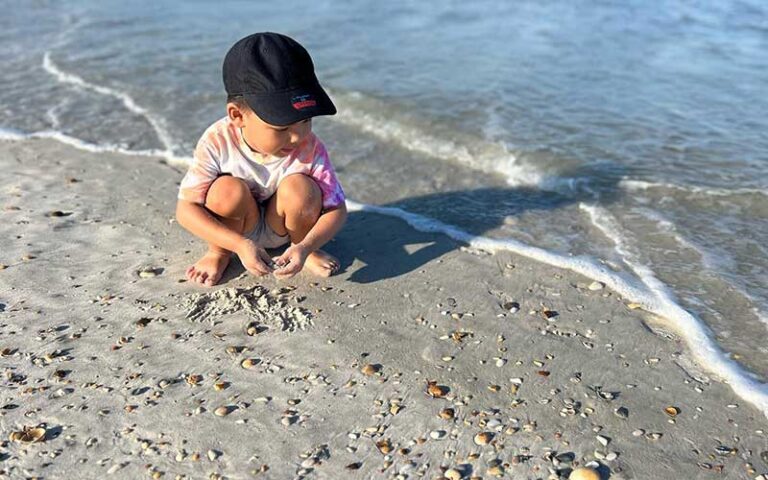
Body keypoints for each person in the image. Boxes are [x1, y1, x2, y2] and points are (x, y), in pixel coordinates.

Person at [175, 32, 347, 286]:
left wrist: (307, 245)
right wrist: (237, 244)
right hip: (238, 228)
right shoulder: (217, 140)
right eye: (281, 127)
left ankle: (301, 250)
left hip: (288, 229)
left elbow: (337, 210)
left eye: (306, 119)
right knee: (225, 191)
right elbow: (185, 210)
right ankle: (219, 252)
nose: (298, 136)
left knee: (301, 189)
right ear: (238, 116)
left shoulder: (310, 147)